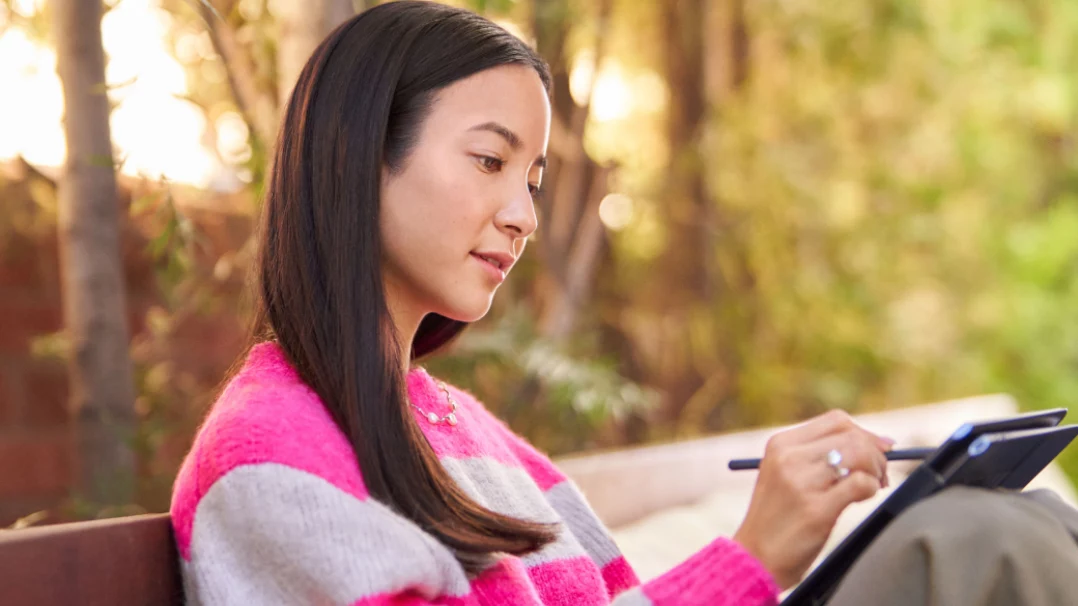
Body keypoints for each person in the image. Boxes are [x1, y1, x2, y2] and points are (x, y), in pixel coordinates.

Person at [170, 2, 1078, 605]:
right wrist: (754, 556)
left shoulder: (468, 434)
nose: (522, 216)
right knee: (979, 544)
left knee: (1028, 517)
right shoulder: (272, 459)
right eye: (489, 161)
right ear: (355, 158)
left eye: (532, 176)